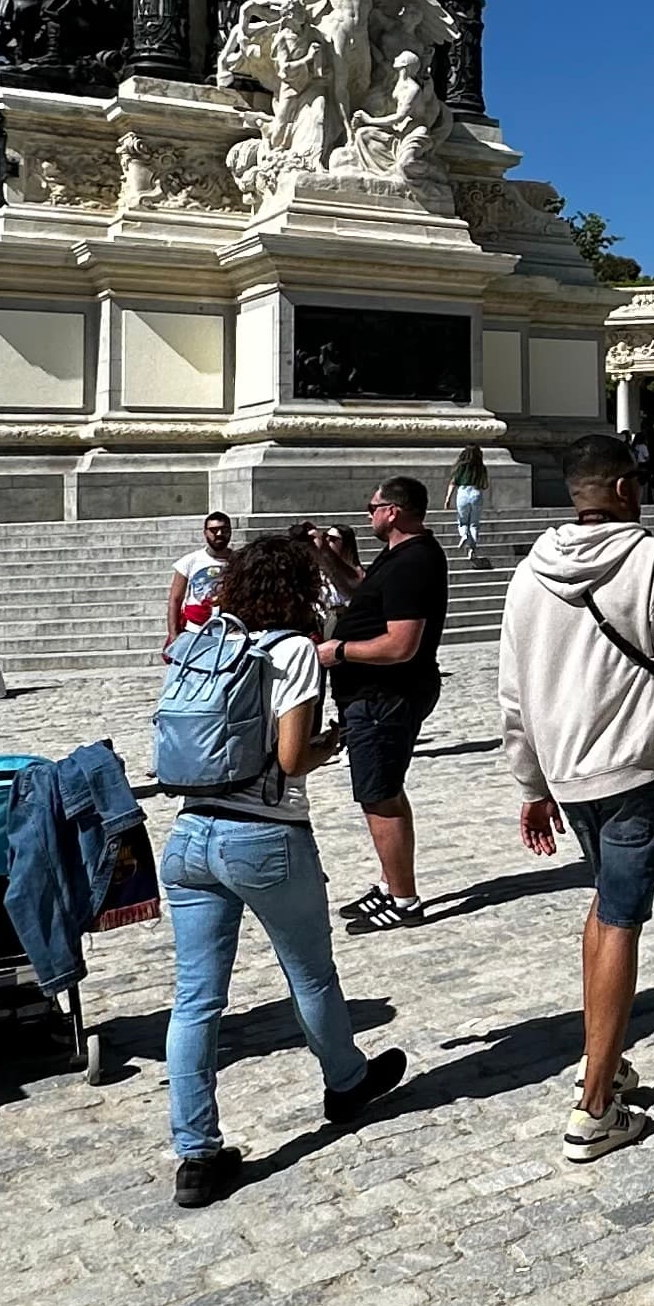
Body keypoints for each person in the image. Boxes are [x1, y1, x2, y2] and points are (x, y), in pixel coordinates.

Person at [495, 429, 654, 1162]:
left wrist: (532, 782)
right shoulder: (650, 558)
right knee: (622, 917)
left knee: (606, 904)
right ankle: (596, 1104)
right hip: (634, 768)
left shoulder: (530, 571)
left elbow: (514, 693)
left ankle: (601, 1054)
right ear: (627, 488)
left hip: (568, 772)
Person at [155, 525, 406, 1210]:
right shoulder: (292, 649)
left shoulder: (204, 639)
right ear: (298, 588)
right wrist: (330, 744)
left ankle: (196, 1153)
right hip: (264, 836)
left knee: (196, 1001)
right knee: (311, 974)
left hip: (189, 835)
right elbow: (291, 758)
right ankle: (346, 1082)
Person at [315, 480, 448, 931]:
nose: (367, 515)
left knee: (379, 796)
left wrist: (339, 652)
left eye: (372, 508)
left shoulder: (415, 562)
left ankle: (405, 900)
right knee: (385, 791)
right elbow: (361, 587)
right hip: (373, 695)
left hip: (385, 697)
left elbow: (401, 645)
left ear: (392, 511)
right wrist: (324, 556)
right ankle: (394, 883)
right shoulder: (398, 556)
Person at [160, 514, 235, 657]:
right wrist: (173, 635)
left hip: (230, 631)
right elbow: (175, 600)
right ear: (205, 532)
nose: (219, 534)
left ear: (230, 531)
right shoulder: (190, 561)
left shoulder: (240, 561)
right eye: (214, 530)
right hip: (195, 630)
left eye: (224, 529)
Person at [449, 440, 489, 569]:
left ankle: (464, 535)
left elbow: (453, 482)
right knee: (474, 524)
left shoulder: (461, 467)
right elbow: (484, 484)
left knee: (462, 521)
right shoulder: (481, 467)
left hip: (463, 492)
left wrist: (447, 499)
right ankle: (472, 549)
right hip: (476, 492)